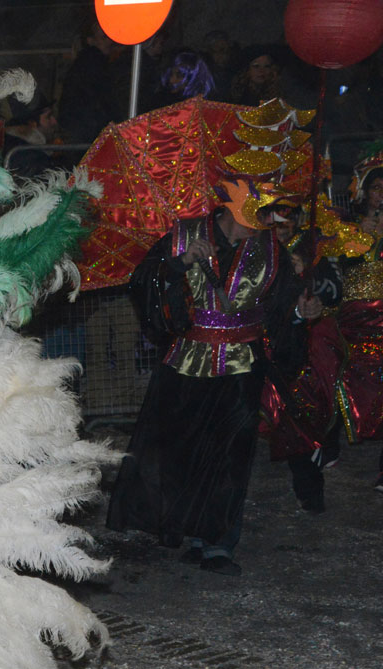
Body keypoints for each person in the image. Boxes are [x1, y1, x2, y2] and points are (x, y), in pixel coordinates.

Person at [107, 179, 320, 576]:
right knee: (182, 449)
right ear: (230, 206)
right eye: (258, 210)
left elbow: (284, 303)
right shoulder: (184, 235)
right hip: (188, 361)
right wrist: (180, 263)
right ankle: (187, 529)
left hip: (242, 365)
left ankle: (218, 542)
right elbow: (143, 281)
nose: (266, 219)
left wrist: (300, 313)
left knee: (232, 454)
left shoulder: (271, 248)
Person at [267, 150, 383, 507]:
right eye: (377, 186)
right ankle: (326, 442)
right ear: (363, 190)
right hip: (349, 319)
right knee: (329, 372)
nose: (382, 193)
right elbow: (325, 275)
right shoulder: (339, 226)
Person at [59, 20, 128, 146]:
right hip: (88, 131)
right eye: (104, 37)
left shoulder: (86, 63)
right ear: (90, 41)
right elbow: (105, 97)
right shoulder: (94, 63)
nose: (109, 42)